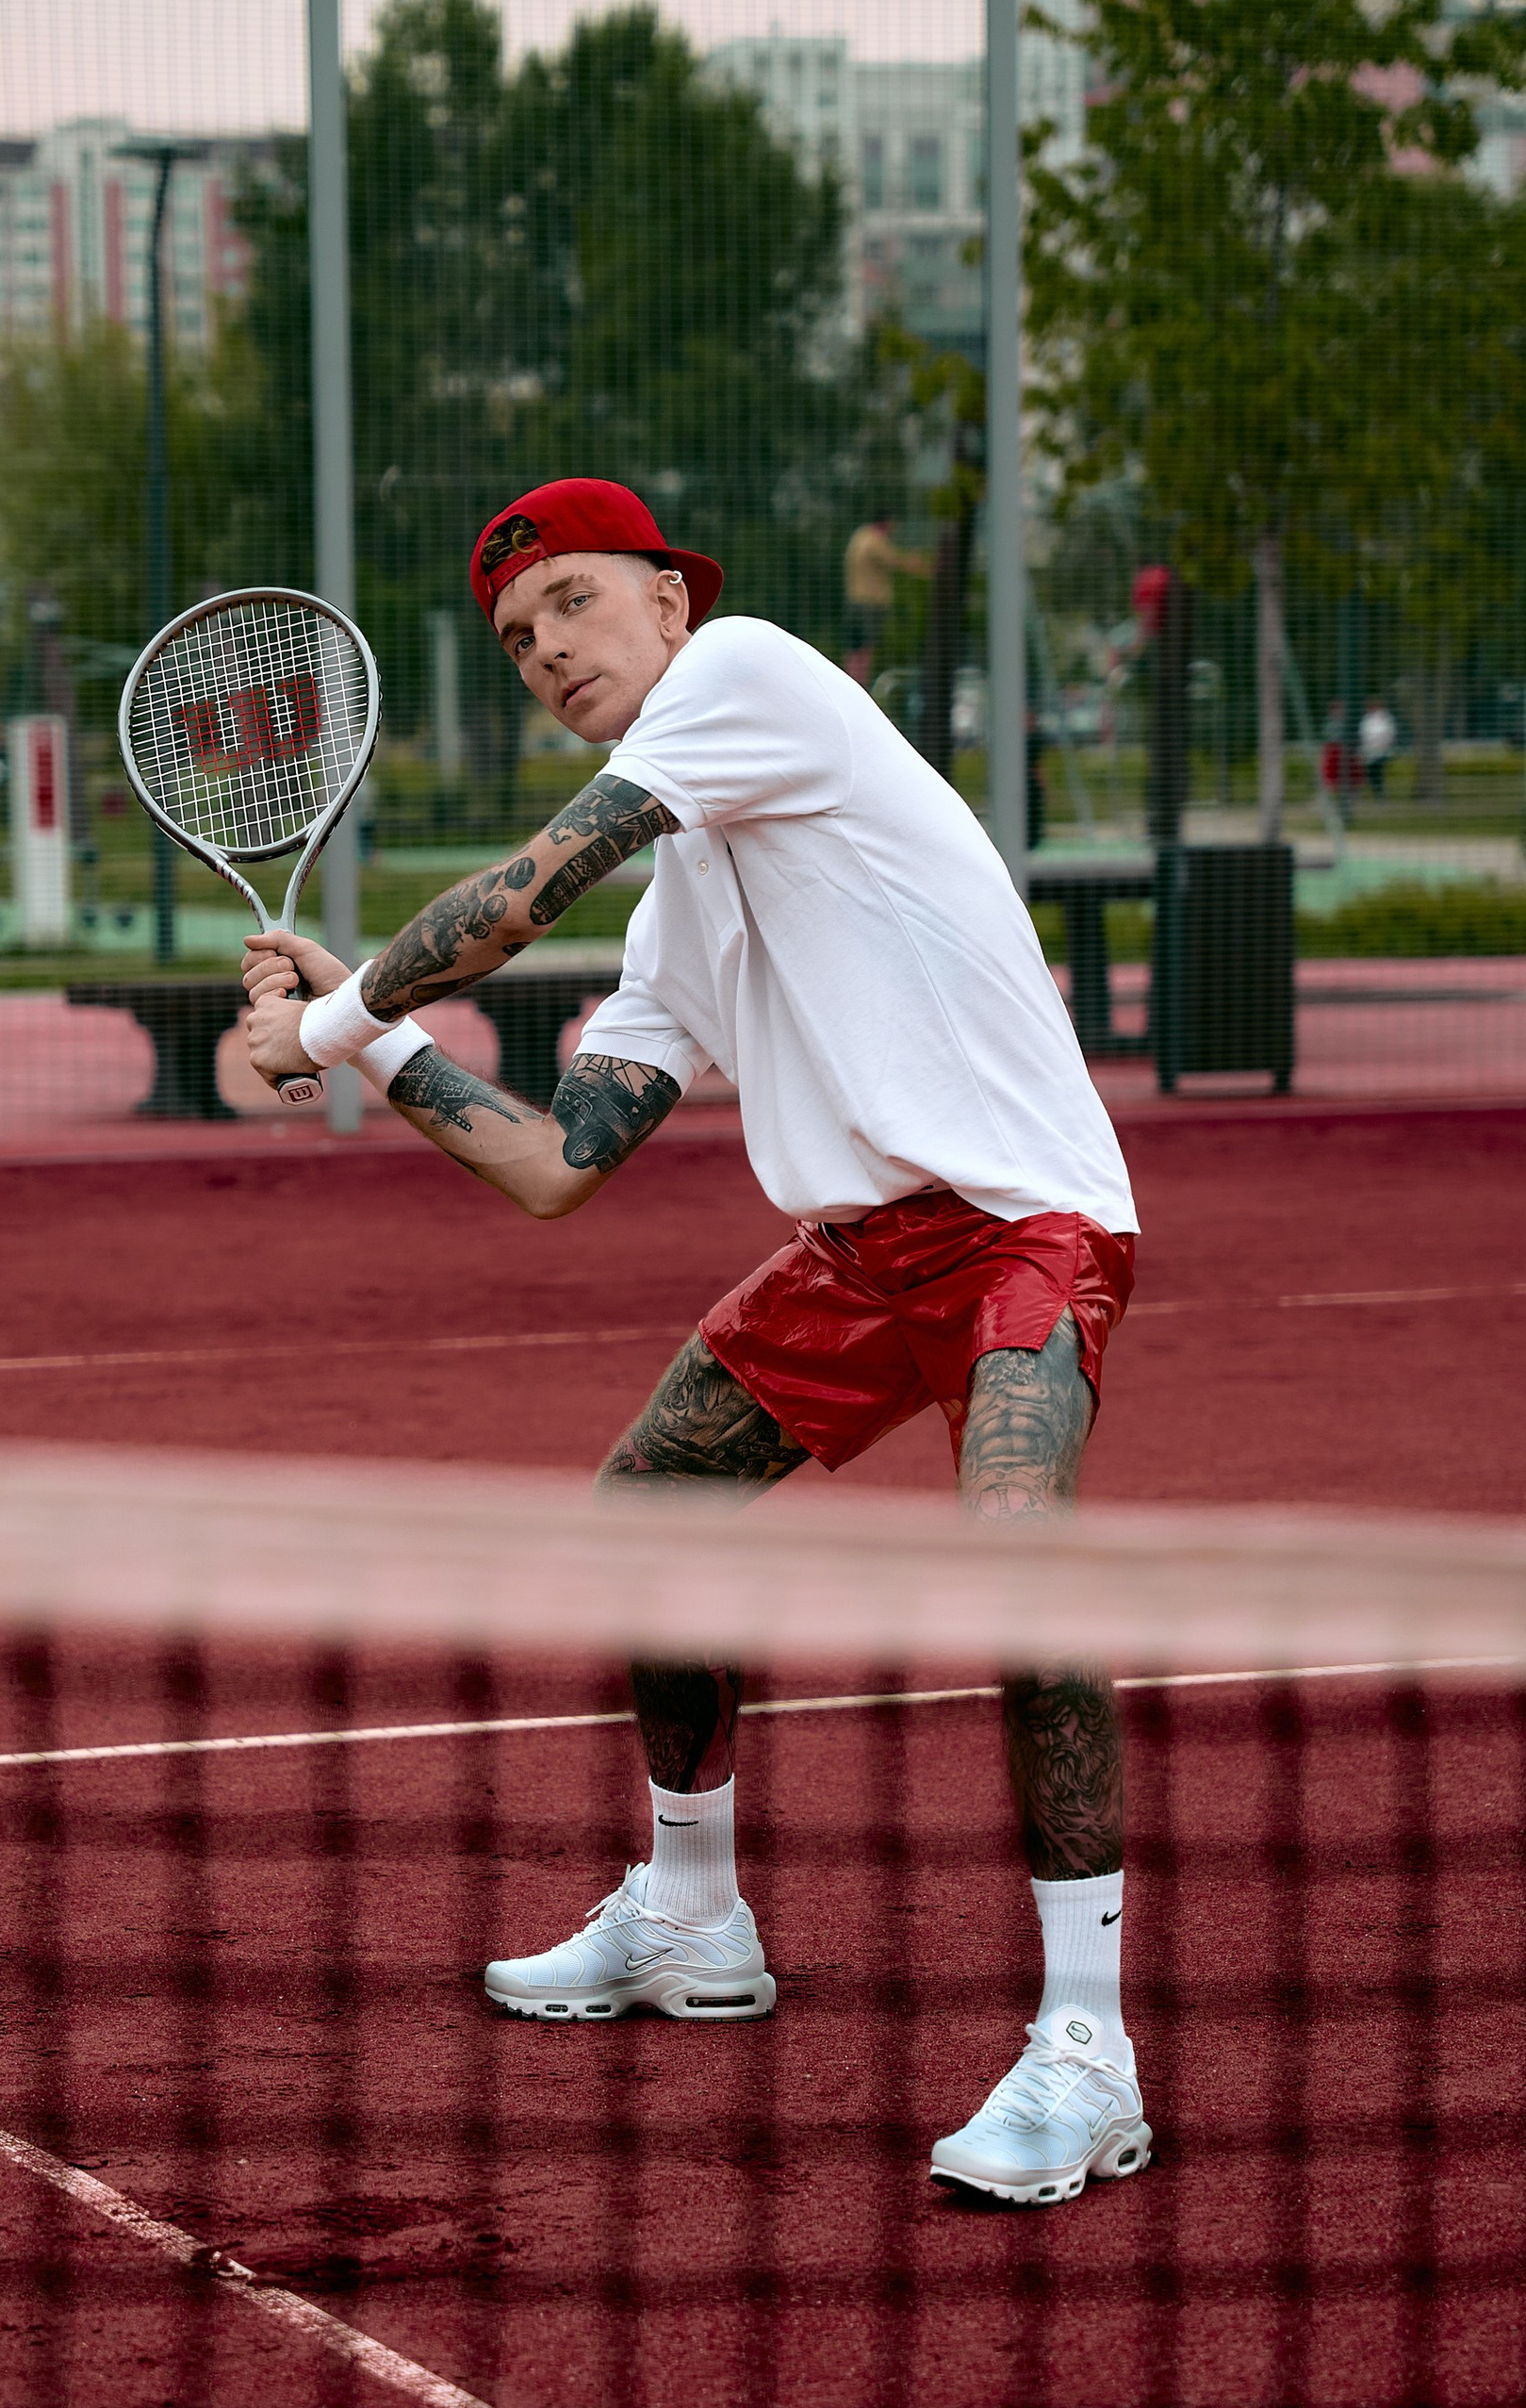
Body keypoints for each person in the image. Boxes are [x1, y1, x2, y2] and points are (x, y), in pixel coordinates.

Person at [242, 477, 1149, 2211]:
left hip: (1031, 1228)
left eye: (573, 607)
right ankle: (691, 1911)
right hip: (862, 1253)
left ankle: (1088, 2052)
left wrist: (336, 1012)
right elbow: (555, 1166)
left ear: (665, 600)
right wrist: (361, 1051)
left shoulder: (749, 669)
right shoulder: (686, 915)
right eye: (518, 641)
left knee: (1021, 1576)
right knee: (644, 1518)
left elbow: (531, 888)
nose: (547, 653)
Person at [841, 516, 927, 688]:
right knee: (865, 650)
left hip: (854, 600)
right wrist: (917, 565)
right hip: (869, 604)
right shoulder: (875, 540)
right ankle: (860, 688)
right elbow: (894, 560)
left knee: (853, 649)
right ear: (887, 523)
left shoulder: (860, 536)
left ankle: (848, 686)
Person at [1357, 696, 1398, 802]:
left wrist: (1383, 744)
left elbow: (1389, 734)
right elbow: (1363, 735)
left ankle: (1379, 793)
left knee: (1376, 770)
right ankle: (1378, 793)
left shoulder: (1386, 718)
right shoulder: (1366, 719)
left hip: (1382, 750)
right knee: (1372, 771)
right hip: (1370, 751)